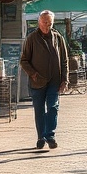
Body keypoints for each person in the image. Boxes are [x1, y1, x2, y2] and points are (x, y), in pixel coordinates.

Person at [19, 10, 69, 150]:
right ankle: (41, 136)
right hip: (37, 82)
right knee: (39, 110)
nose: (47, 25)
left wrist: (65, 80)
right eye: (45, 22)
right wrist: (33, 74)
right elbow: (24, 61)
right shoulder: (32, 38)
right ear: (39, 22)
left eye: (50, 23)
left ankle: (50, 135)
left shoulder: (58, 38)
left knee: (53, 107)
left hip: (54, 80)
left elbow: (64, 60)